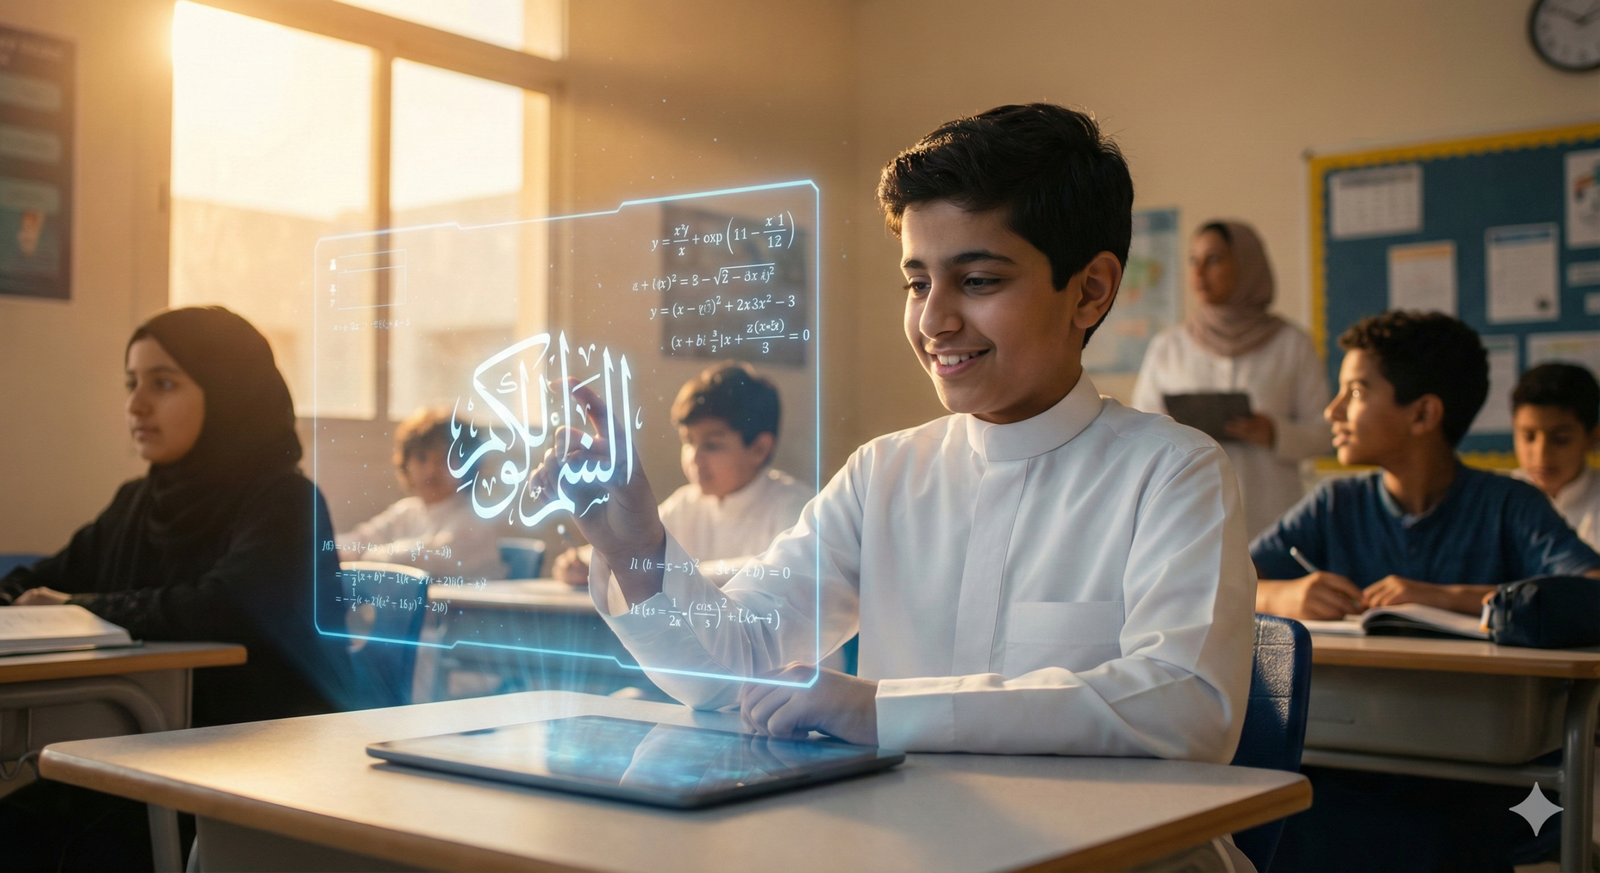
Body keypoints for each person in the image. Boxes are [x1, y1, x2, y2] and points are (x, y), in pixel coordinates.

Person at [535, 104, 1255, 768]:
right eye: (917, 283)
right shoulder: (883, 474)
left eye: (976, 280)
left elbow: (1184, 706)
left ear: (1091, 290)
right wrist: (634, 548)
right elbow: (736, 666)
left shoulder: (1171, 471)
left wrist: (882, 707)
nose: (934, 319)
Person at [0, 306, 351, 870]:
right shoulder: (138, 502)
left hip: (255, 766)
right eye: (131, 384)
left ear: (230, 392)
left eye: (163, 384)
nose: (136, 405)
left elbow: (227, 604)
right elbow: (43, 578)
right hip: (143, 748)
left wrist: (78, 608)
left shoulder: (286, 502)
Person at [1251, 311, 1599, 872]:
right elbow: (1223, 579)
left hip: (1484, 777)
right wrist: (1285, 598)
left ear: (1424, 413)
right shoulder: (1335, 505)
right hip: (1354, 761)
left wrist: (1446, 596)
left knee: (1432, 839)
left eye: (1356, 391)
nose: (1332, 412)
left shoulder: (1508, 504)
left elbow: (1589, 588)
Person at [1132, 220, 1330, 539]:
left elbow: (1325, 432)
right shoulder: (1168, 346)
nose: (1199, 273)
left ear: (1246, 264)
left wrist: (1274, 433)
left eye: (1214, 259)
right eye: (1193, 260)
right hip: (1187, 517)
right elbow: (1141, 432)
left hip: (1271, 520)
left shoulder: (1291, 343)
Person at [549, 363, 812, 585]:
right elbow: (634, 548)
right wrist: (584, 563)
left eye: (712, 445)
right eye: (688, 442)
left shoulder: (796, 507)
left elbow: (777, 571)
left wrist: (668, 573)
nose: (695, 458)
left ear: (759, 449)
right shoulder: (686, 503)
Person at [337, 407, 507, 581]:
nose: (431, 470)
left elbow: (431, 556)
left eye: (445, 459)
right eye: (421, 458)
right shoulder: (407, 512)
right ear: (406, 464)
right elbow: (362, 538)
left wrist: (365, 556)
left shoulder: (475, 519)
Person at [1511, 362, 1600, 549]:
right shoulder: (1497, 501)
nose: (1541, 454)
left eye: (1560, 439)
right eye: (1529, 437)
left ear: (1592, 438)